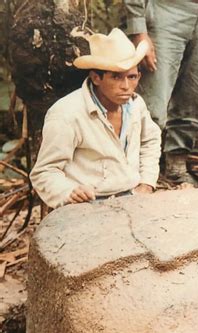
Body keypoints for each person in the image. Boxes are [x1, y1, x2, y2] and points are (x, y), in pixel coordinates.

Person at [30, 28, 161, 209]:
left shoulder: (136, 105)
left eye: (132, 77)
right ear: (96, 77)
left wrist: (146, 183)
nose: (126, 86)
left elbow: (151, 140)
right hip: (87, 206)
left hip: (134, 199)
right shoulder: (66, 113)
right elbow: (44, 172)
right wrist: (69, 191)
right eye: (116, 77)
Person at [124, 0, 198, 186]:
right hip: (166, 12)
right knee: (153, 100)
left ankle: (176, 167)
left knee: (195, 97)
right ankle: (138, 172)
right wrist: (138, 30)